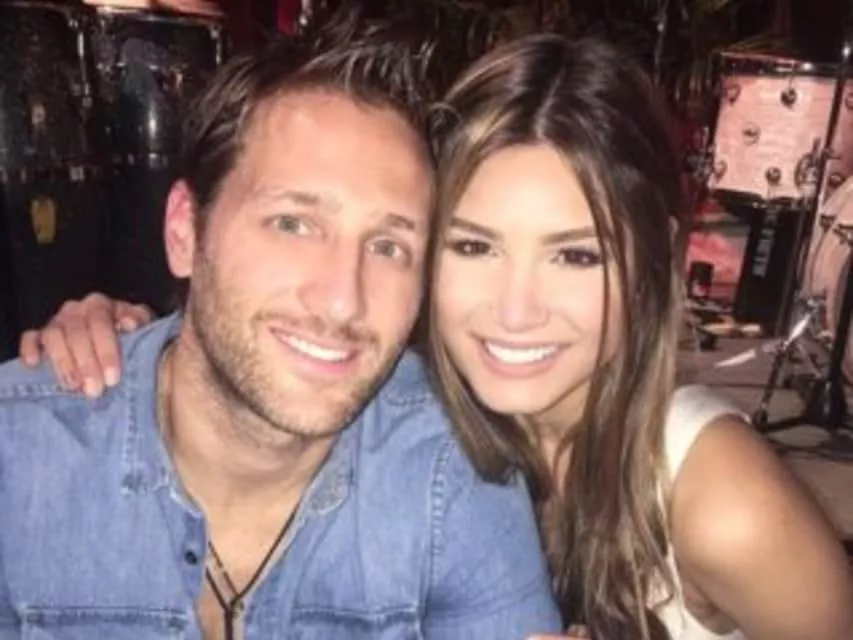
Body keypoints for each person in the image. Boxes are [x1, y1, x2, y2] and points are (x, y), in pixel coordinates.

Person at [20, 35, 853, 640]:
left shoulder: (719, 499)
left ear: (652, 266)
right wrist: (134, 338)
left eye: (575, 255)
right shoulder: (426, 411)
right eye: (473, 246)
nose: (514, 311)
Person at [0, 16, 563, 640]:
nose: (343, 302)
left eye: (388, 247)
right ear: (185, 231)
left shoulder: (453, 467)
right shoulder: (19, 456)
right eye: (293, 224)